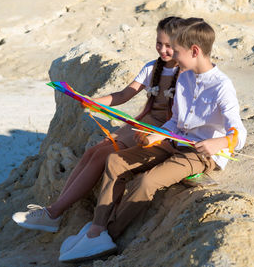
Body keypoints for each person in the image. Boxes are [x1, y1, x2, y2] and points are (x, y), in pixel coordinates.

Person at [58, 17, 247, 263]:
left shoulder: (222, 86)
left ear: (195, 51)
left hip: (199, 153)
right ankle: (96, 228)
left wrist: (218, 143)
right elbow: (176, 121)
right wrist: (156, 134)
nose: (173, 59)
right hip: (173, 140)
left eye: (176, 52)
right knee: (115, 161)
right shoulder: (185, 78)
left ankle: (109, 235)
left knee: (147, 182)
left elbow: (239, 133)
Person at [11, 16, 182, 233]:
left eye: (169, 45)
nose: (163, 50)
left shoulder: (186, 75)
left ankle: (54, 213)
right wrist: (91, 101)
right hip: (139, 124)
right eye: (159, 43)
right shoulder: (152, 68)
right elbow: (123, 95)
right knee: (93, 151)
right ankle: (52, 211)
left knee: (102, 156)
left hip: (161, 131)